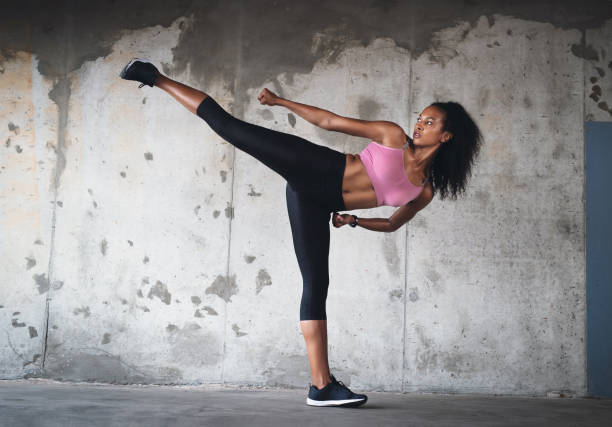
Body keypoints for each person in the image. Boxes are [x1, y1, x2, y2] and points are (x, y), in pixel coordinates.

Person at [120, 58, 483, 407]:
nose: (419, 124)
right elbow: (329, 121)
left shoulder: (424, 192)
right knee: (230, 127)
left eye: (430, 121)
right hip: (315, 166)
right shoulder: (393, 136)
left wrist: (353, 221)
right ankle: (155, 77)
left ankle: (321, 386)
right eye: (420, 118)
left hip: (313, 202)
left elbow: (391, 223)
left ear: (446, 135)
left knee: (316, 285)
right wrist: (279, 102)